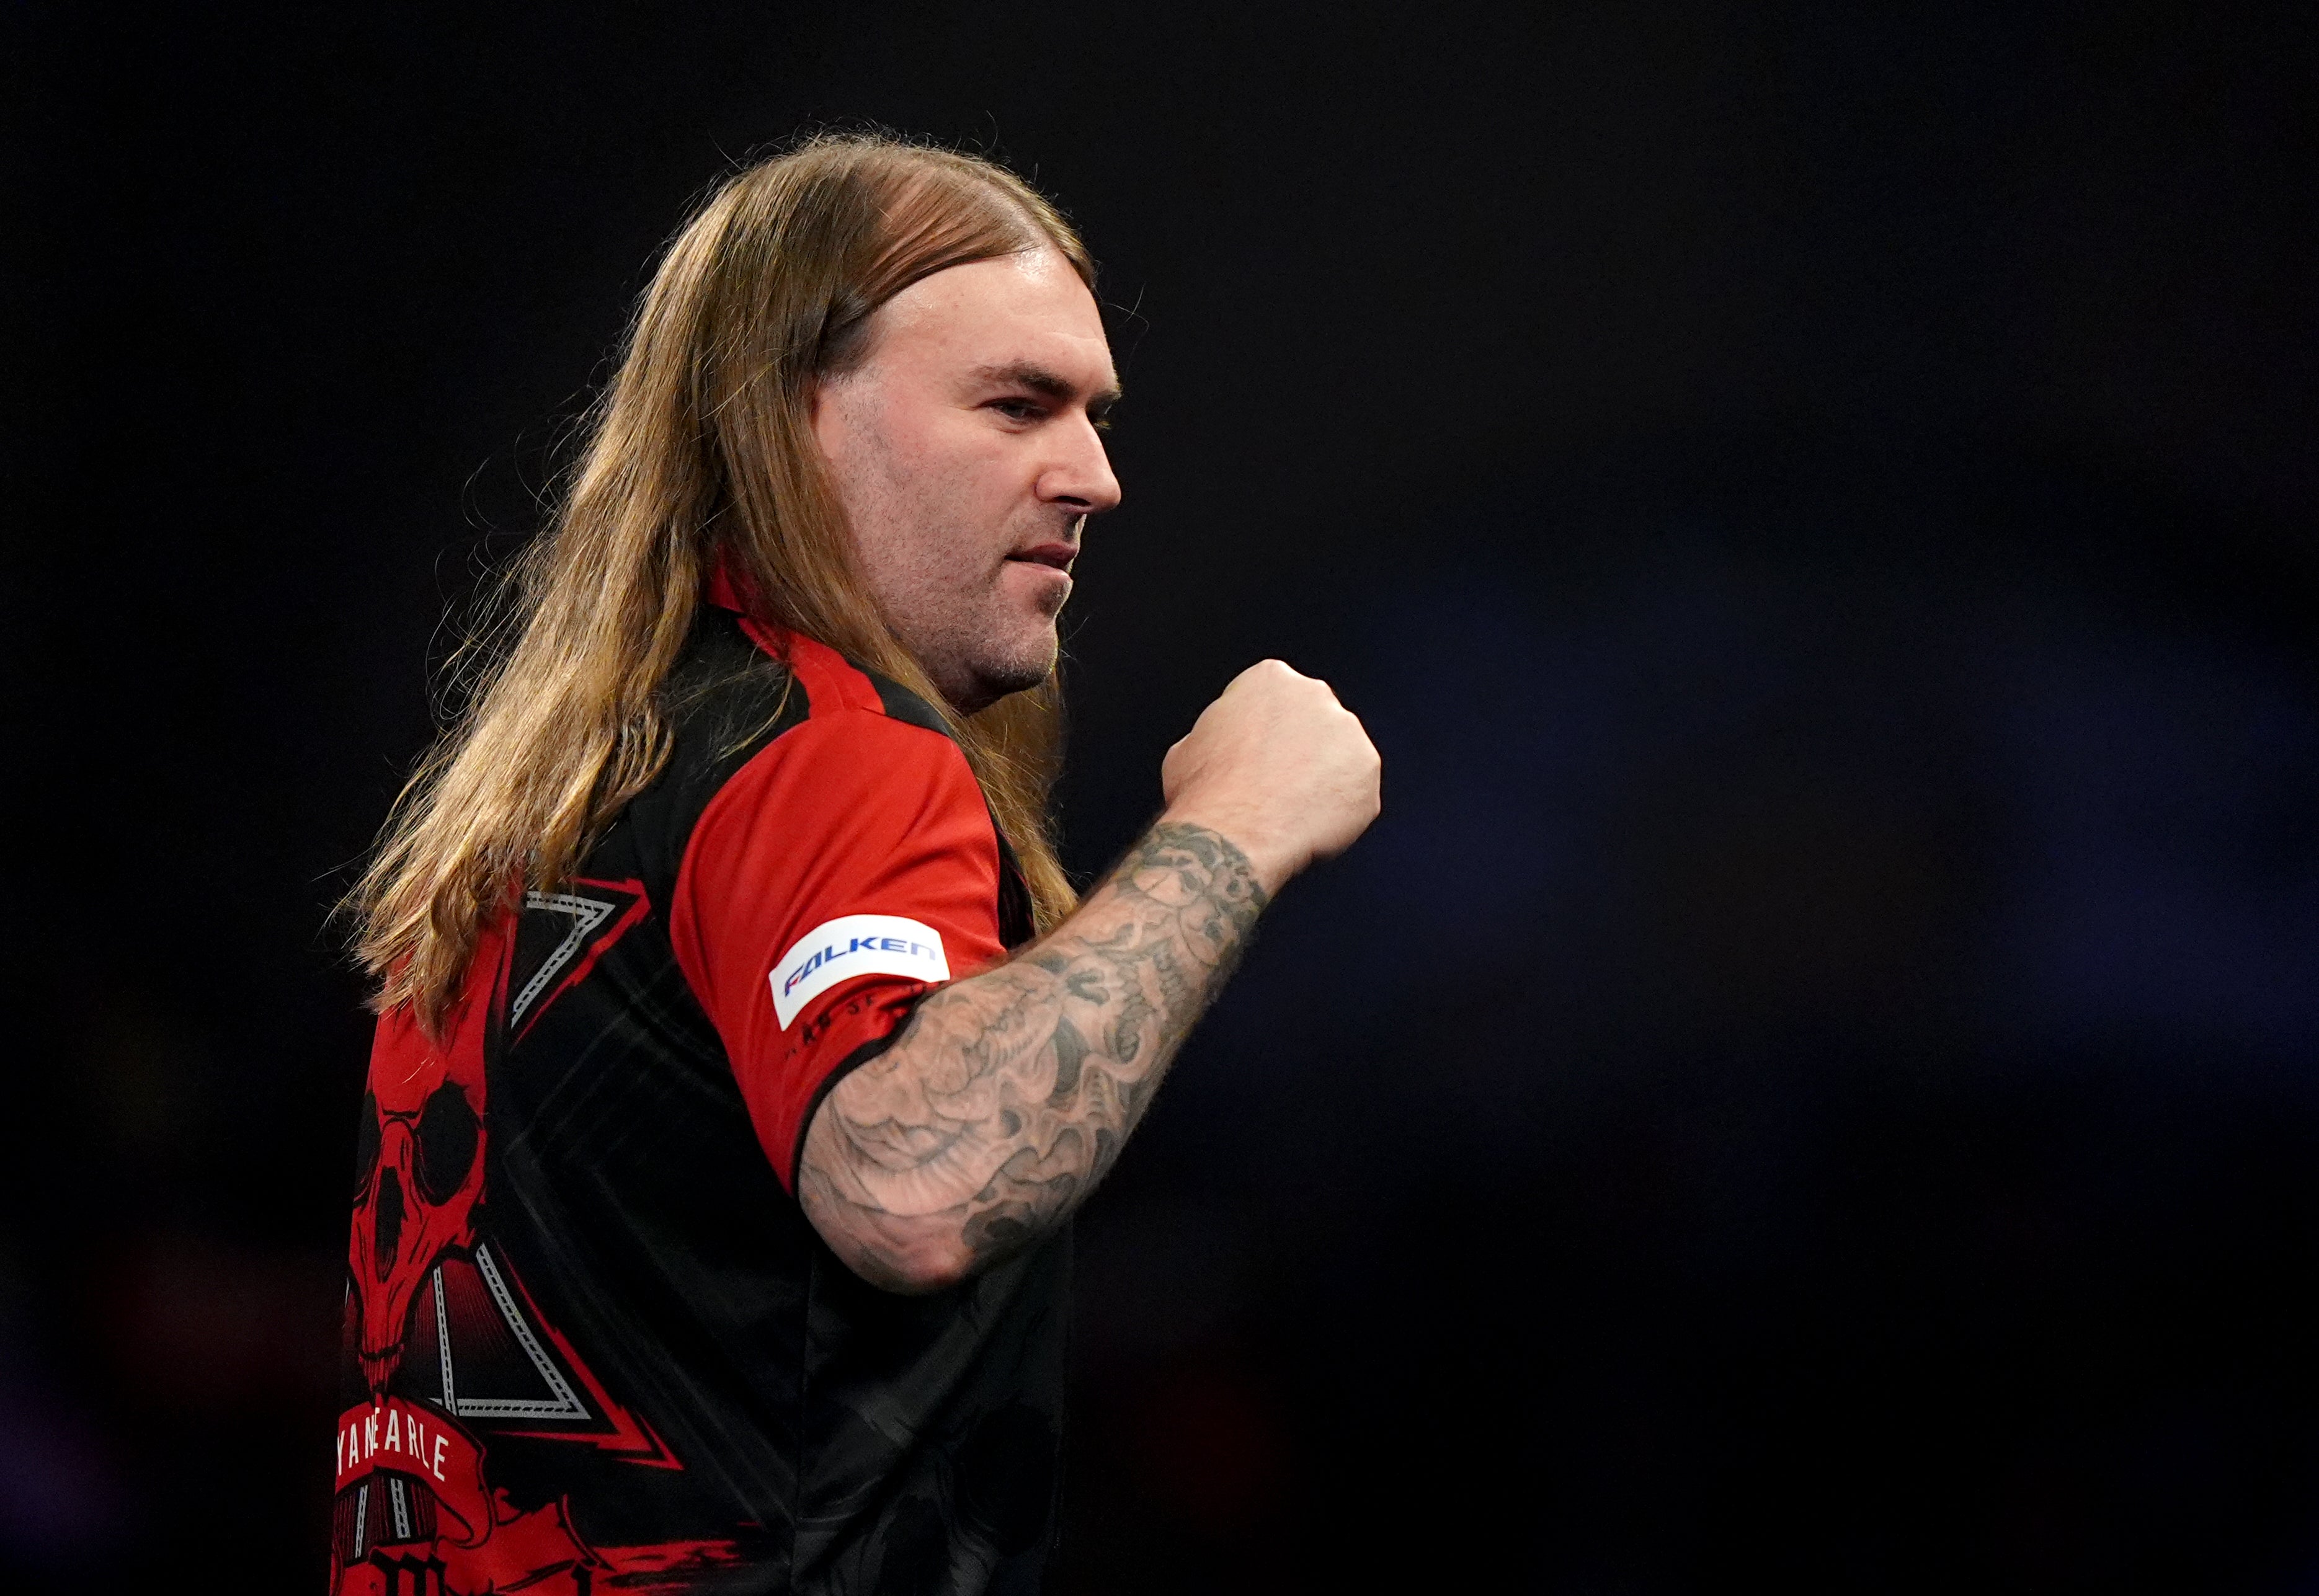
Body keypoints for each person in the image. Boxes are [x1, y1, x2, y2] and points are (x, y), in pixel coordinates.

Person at [333, 133, 1379, 1595]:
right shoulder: (827, 745)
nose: (1094, 476)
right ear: (787, 418)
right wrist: (1235, 827)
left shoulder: (580, 782)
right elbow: (911, 1182)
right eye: (1018, 405)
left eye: (1090, 411)